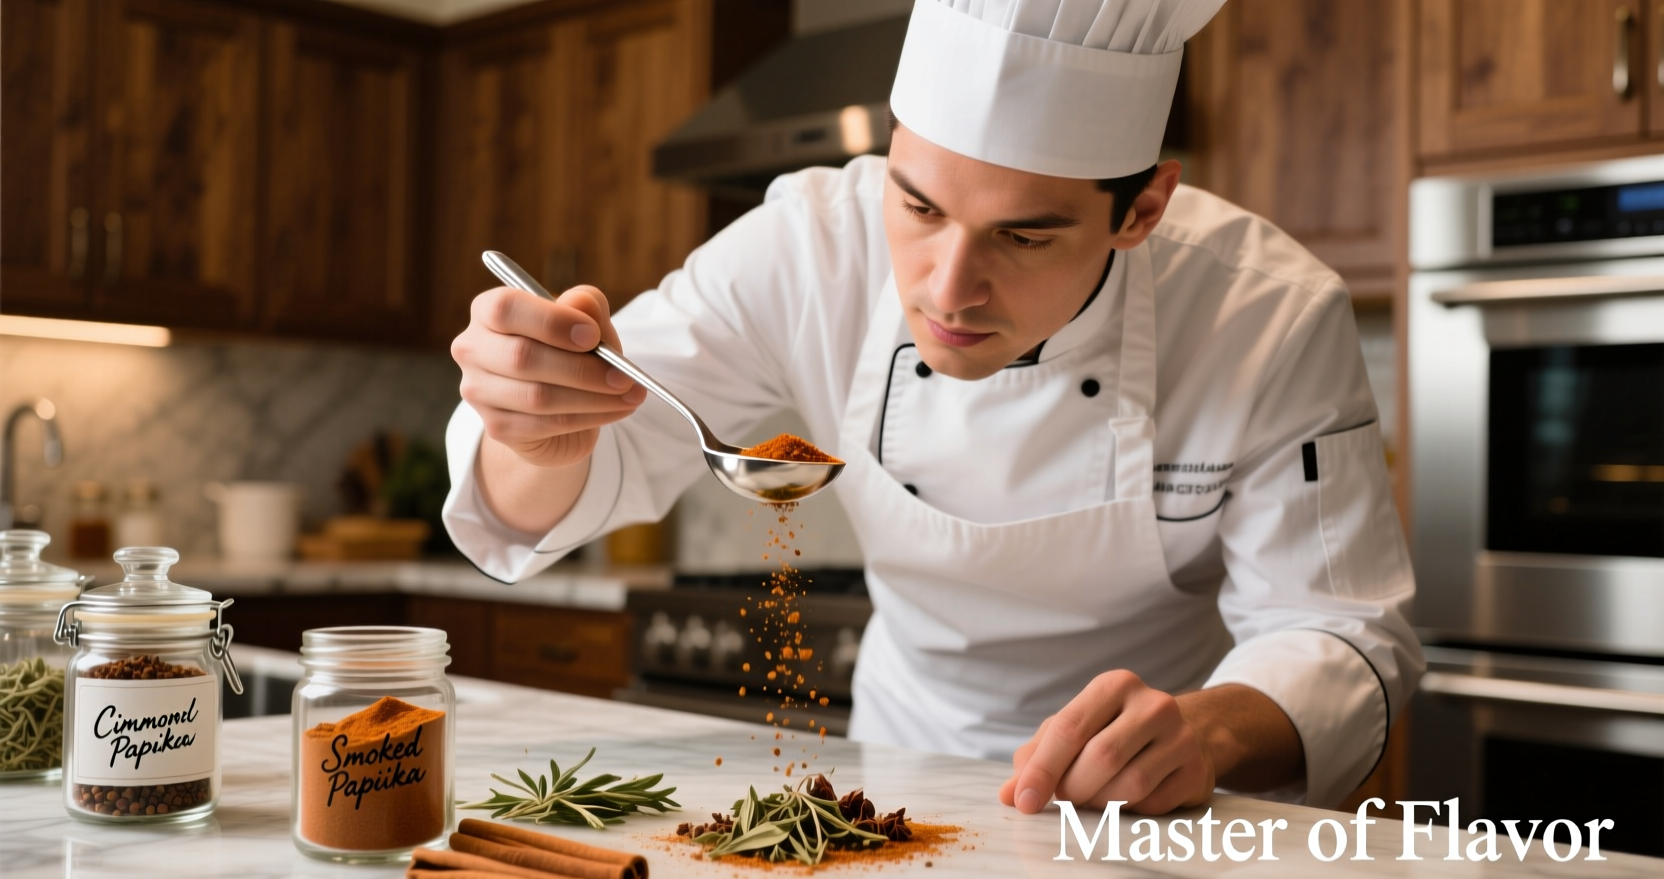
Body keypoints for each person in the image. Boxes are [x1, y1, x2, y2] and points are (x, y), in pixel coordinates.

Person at [442, 0, 1423, 814]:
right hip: (899, 774)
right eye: (916, 207)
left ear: (1142, 207)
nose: (949, 290)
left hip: (1158, 808)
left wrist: (1204, 730)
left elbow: (1338, 630)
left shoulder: (1262, 311)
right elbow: (566, 478)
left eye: (1024, 238)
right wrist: (537, 424)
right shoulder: (804, 246)